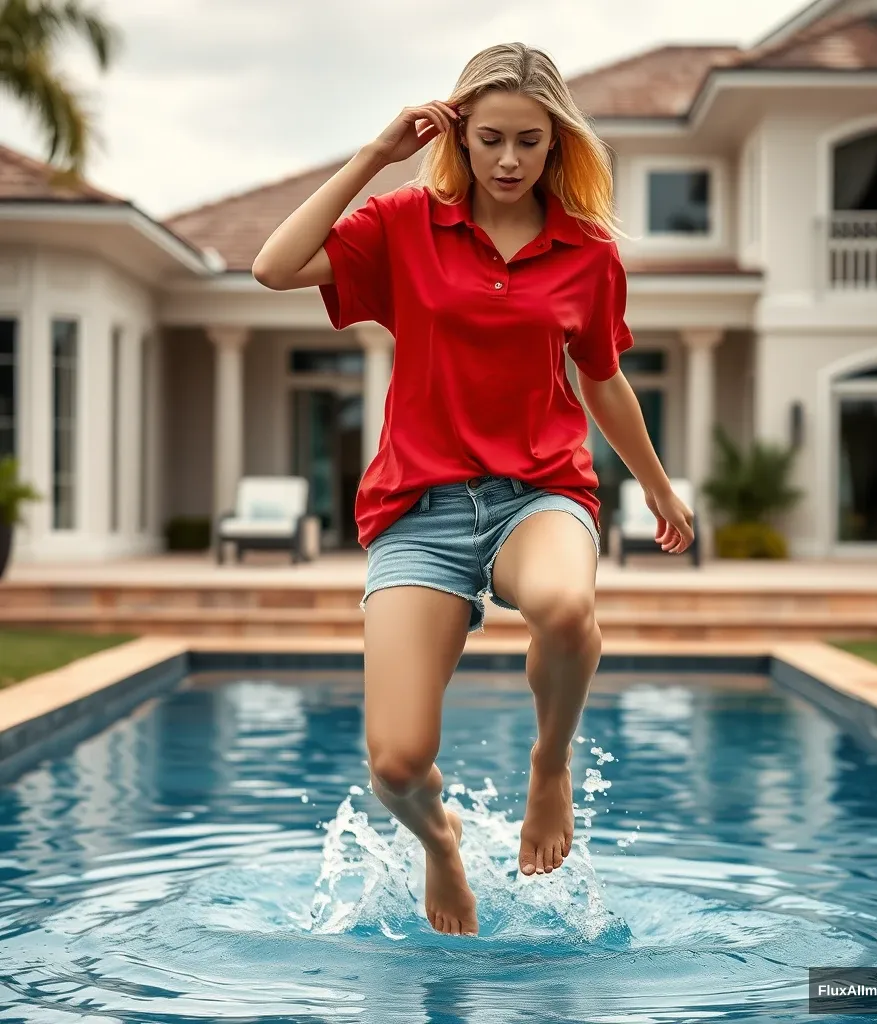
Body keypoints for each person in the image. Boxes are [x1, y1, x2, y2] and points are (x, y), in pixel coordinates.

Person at [253, 42, 695, 937]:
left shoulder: (587, 253)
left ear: (556, 144)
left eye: (528, 142)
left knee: (567, 606)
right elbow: (273, 266)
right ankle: (443, 847)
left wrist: (657, 487)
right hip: (420, 511)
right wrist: (376, 155)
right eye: (489, 138)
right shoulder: (406, 223)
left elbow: (604, 380)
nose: (506, 160)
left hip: (540, 493)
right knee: (397, 765)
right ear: (458, 134)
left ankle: (549, 769)